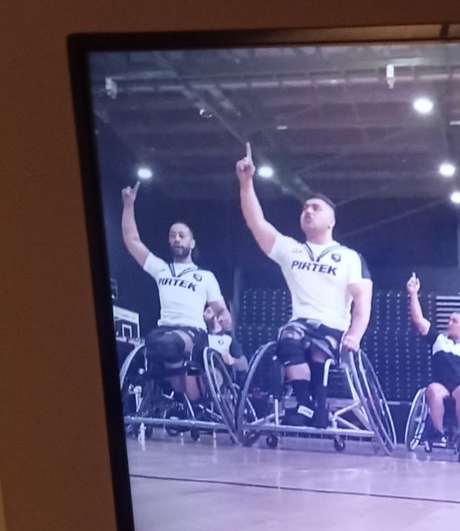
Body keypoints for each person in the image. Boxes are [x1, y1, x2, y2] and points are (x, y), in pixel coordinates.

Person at [236, 143, 373, 427]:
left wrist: (356, 335)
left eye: (315, 208)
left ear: (331, 220)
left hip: (333, 328)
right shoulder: (291, 250)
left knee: (317, 350)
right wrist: (246, 182)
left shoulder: (349, 257)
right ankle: (307, 405)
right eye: (305, 208)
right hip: (299, 324)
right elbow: (255, 221)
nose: (308, 211)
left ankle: (316, 406)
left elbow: (362, 302)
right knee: (289, 337)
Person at [121, 181, 230, 403]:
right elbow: (132, 241)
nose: (177, 239)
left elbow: (221, 310)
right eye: (173, 235)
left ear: (192, 242)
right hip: (164, 330)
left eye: (182, 235)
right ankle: (182, 401)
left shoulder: (205, 276)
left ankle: (191, 400)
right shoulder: (161, 269)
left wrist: (225, 322)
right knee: (160, 344)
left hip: (193, 332)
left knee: (171, 345)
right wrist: (128, 205)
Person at [407, 273, 460, 443]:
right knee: (432, 389)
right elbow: (418, 320)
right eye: (448, 320)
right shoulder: (438, 340)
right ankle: (438, 434)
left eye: (454, 321)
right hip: (441, 384)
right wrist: (413, 293)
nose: (449, 324)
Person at [204, 305, 249, 381]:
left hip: (223, 385)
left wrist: (232, 360)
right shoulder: (201, 337)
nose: (212, 315)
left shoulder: (228, 339)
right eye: (208, 312)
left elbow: (244, 365)